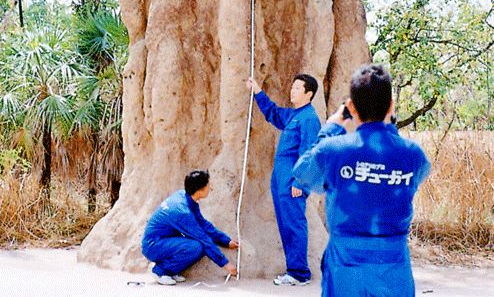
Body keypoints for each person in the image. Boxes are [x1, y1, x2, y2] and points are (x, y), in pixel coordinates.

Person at [293, 64, 431, 297]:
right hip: (393, 264)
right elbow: (418, 177)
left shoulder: (334, 150)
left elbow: (304, 173)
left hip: (345, 264)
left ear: (351, 108)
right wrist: (390, 131)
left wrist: (332, 127)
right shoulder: (413, 154)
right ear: (391, 106)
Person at [246, 74, 321, 286]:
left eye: (298, 88)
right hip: (281, 181)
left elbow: (310, 154)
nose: (292, 90)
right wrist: (258, 91)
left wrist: (301, 183)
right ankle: (293, 270)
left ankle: (299, 273)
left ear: (309, 94)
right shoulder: (294, 115)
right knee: (286, 225)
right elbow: (273, 113)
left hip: (292, 184)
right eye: (293, 86)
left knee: (294, 225)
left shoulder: (309, 118)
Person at [141, 170, 239, 285]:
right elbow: (203, 237)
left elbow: (203, 224)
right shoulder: (182, 212)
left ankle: (170, 270)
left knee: (198, 245)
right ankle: (160, 271)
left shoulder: (184, 196)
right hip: (153, 246)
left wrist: (226, 241)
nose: (210, 187)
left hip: (163, 241)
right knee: (197, 246)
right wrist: (225, 264)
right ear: (199, 190)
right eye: (208, 185)